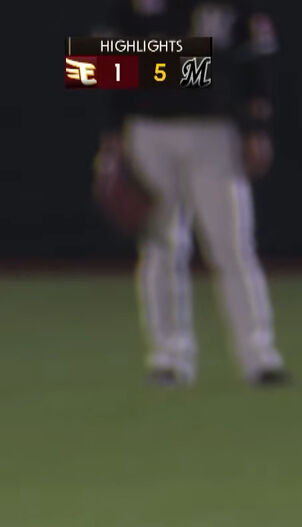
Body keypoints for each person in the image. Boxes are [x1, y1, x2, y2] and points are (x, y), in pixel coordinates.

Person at [93, 0, 289, 387]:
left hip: (215, 132)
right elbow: (97, 66)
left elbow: (255, 61)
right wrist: (112, 134)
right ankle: (168, 357)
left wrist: (256, 128)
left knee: (232, 245)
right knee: (160, 247)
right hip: (148, 130)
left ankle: (259, 356)